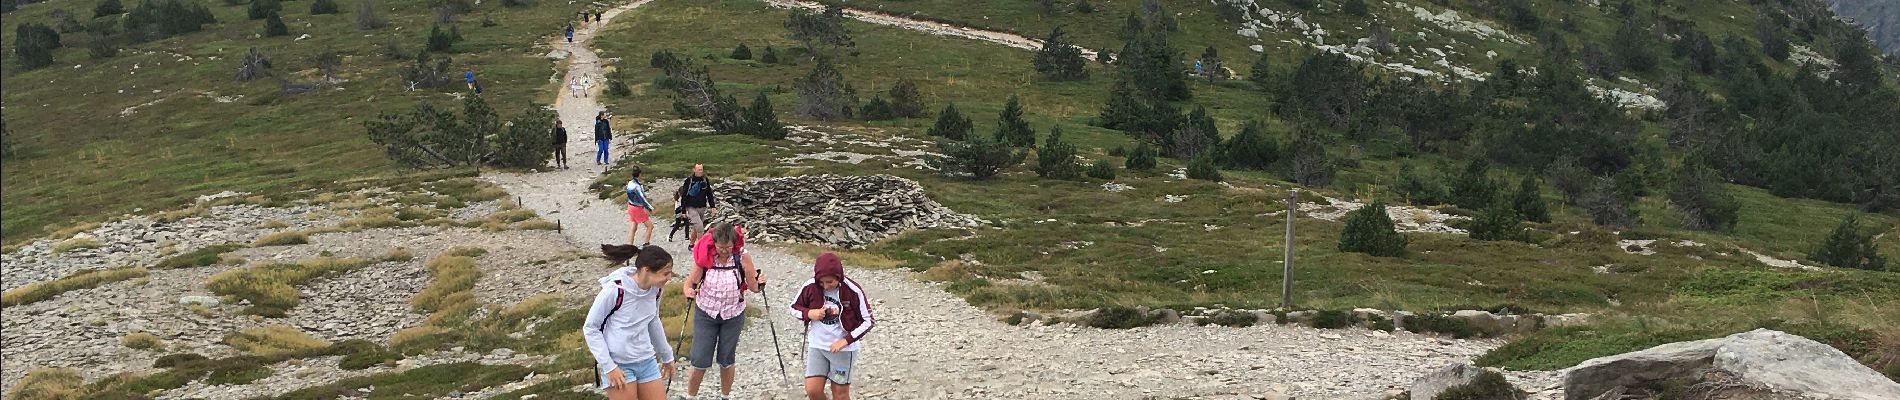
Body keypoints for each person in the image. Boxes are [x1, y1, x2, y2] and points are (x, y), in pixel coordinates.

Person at [582, 244, 677, 400]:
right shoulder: (615, 290)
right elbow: (591, 328)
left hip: (647, 360)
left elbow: (653, 320)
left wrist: (667, 356)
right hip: (618, 364)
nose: (669, 278)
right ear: (646, 270)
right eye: (665, 274)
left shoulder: (656, 290)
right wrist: (609, 367)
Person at [682, 223, 762, 400]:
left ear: (734, 243)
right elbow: (690, 283)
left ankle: (725, 396)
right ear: (714, 243)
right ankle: (691, 396)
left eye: (728, 247)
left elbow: (753, 286)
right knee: (699, 360)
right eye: (720, 247)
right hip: (706, 313)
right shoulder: (705, 256)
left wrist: (760, 283)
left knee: (727, 359)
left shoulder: (742, 257)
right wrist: (688, 291)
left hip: (733, 314)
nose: (724, 251)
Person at [789, 253, 873, 400]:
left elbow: (868, 321)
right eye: (821, 283)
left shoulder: (853, 290)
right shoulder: (810, 286)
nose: (826, 286)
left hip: (844, 351)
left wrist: (845, 340)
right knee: (812, 390)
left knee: (840, 394)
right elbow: (793, 308)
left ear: (838, 277)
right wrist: (809, 313)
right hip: (817, 346)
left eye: (830, 282)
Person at [674, 164, 717, 242]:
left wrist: (713, 207)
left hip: (702, 207)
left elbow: (709, 194)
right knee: (700, 227)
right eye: (698, 169)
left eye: (701, 169)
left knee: (696, 227)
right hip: (691, 207)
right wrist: (683, 211)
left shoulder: (705, 180)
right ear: (694, 170)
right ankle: (701, 247)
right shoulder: (689, 180)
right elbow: (684, 196)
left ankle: (691, 244)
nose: (700, 171)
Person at [625, 166, 655, 246]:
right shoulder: (637, 186)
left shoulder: (630, 183)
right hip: (637, 208)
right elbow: (642, 199)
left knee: (633, 227)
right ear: (639, 175)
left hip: (630, 207)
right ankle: (646, 243)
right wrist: (650, 208)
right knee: (650, 226)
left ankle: (629, 245)